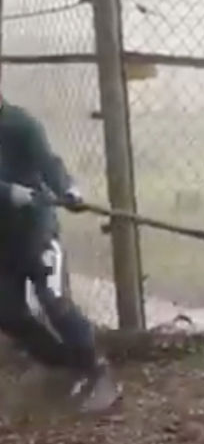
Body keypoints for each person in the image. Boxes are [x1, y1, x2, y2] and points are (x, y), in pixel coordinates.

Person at [0, 94, 120, 413]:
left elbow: (47, 161)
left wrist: (67, 189)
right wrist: (8, 192)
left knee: (54, 298)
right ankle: (63, 365)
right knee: (7, 312)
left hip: (35, 228)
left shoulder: (19, 123)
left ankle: (96, 370)